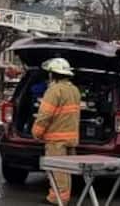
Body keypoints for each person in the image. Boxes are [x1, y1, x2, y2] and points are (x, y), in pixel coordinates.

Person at [32, 57, 81, 206]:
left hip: (56, 139)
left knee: (57, 171)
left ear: (53, 74)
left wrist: (36, 132)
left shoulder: (54, 90)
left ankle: (57, 199)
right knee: (65, 171)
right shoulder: (74, 90)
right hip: (71, 137)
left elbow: (45, 115)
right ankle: (58, 197)